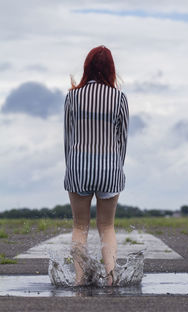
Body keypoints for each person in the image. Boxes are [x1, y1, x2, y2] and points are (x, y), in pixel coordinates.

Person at [63, 45, 129, 286]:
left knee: (80, 226)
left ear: (87, 67)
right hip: (110, 167)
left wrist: (71, 167)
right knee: (107, 226)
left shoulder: (72, 96)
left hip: (79, 166)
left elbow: (68, 138)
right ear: (111, 69)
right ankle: (111, 277)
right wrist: (116, 169)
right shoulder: (119, 98)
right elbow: (123, 139)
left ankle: (80, 279)